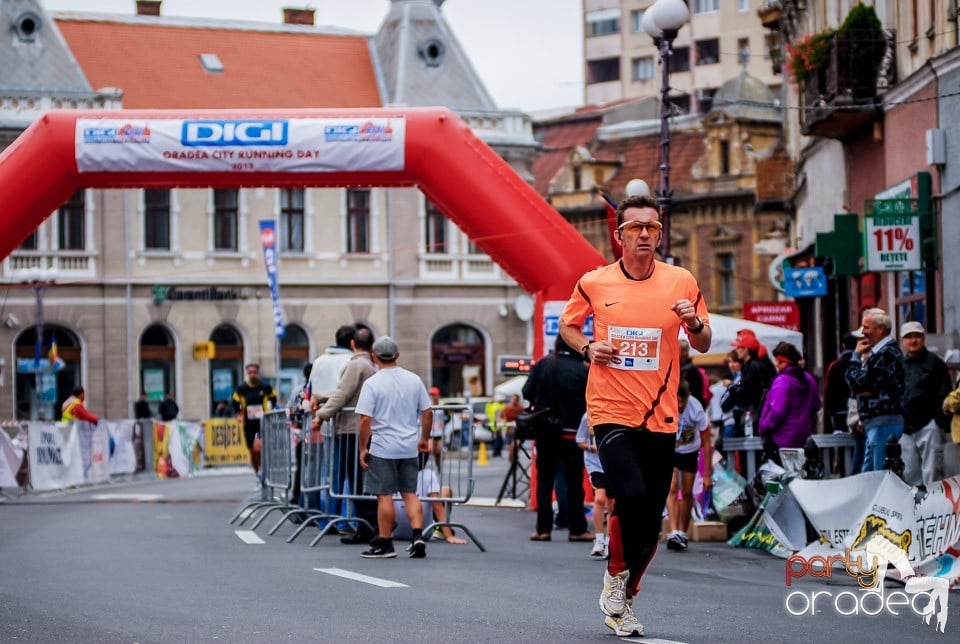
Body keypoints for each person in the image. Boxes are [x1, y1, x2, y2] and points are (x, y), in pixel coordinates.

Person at [559, 194, 712, 639]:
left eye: (652, 227)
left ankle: (625, 592)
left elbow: (701, 342)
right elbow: (569, 325)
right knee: (630, 491)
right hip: (610, 409)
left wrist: (694, 323)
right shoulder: (595, 282)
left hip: (661, 416)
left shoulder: (681, 281)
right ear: (619, 236)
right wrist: (588, 348)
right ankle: (615, 577)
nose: (645, 234)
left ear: (660, 234)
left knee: (650, 520)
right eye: (636, 227)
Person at [355, 336, 434, 559]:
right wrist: (424, 438)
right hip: (409, 446)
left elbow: (364, 420)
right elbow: (428, 412)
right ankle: (417, 535)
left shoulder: (372, 383)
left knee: (384, 495)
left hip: (382, 448)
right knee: (410, 493)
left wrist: (363, 447)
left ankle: (385, 543)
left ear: (374, 356)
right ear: (397, 356)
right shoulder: (414, 380)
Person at [521, 336, 593, 543]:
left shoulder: (543, 364)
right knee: (573, 481)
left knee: (545, 480)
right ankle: (577, 528)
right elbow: (591, 397)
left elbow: (527, 392)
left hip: (544, 430)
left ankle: (543, 529)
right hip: (571, 432)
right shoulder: (581, 369)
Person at [313, 326, 378, 544]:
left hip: (351, 429)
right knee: (357, 478)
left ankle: (367, 524)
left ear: (352, 344)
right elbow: (344, 391)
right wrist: (322, 397)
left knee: (356, 480)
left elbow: (343, 393)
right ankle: (368, 523)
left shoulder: (356, 364)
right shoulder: (367, 364)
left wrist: (321, 415)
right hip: (357, 429)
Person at [845, 308, 904, 473]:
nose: (863, 332)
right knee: (869, 474)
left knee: (880, 474)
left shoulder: (886, 353)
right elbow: (860, 386)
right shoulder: (878, 353)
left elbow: (858, 383)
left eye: (866, 327)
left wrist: (855, 357)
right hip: (875, 423)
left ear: (880, 329)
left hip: (883, 422)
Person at [899, 321, 951, 485]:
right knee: (909, 472)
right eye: (909, 337)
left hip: (929, 425)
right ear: (903, 341)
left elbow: (945, 392)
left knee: (933, 472)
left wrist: (938, 422)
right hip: (905, 428)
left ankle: (934, 509)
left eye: (917, 336)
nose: (913, 340)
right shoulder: (899, 364)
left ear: (923, 338)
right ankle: (915, 508)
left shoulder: (935, 362)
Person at [665, 382, 712, 552]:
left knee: (686, 492)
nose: (679, 406)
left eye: (682, 401)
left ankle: (683, 532)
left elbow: (707, 441)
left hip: (690, 451)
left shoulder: (696, 408)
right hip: (672, 450)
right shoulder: (666, 403)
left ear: (688, 398)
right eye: (676, 401)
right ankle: (673, 531)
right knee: (671, 488)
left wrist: (707, 473)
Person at [757, 342, 821, 465]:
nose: (776, 365)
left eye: (779, 362)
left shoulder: (782, 381)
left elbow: (776, 412)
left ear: (786, 362)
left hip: (779, 441)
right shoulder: (809, 379)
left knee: (777, 479)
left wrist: (763, 428)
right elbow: (816, 405)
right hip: (802, 439)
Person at [392, 453, 467, 545]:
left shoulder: (393, 473)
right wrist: (449, 536)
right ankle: (441, 529)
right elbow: (437, 506)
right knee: (445, 490)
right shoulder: (428, 475)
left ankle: (380, 533)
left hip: (394, 532)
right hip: (424, 532)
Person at [232, 363, 278, 476]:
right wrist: (239, 413)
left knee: (258, 448)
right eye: (250, 373)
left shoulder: (265, 388)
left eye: (254, 373)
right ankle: (258, 473)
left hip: (262, 423)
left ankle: (263, 470)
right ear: (247, 374)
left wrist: (270, 409)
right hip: (248, 424)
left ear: (258, 373)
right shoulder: (242, 389)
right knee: (252, 451)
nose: (252, 375)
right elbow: (235, 401)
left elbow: (273, 398)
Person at [576, 412, 610, 558]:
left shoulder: (615, 415)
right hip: (595, 465)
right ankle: (599, 539)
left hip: (612, 465)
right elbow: (580, 441)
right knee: (600, 499)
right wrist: (591, 447)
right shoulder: (587, 416)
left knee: (613, 504)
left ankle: (610, 541)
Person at [308, 325, 356, 397]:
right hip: (341, 407)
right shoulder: (352, 361)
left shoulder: (319, 360)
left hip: (318, 406)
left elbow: (309, 388)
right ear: (353, 343)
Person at [426, 386, 449, 469]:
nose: (432, 397)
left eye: (434, 395)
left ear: (438, 395)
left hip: (439, 433)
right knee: (429, 449)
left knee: (438, 452)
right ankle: (425, 469)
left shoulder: (443, 406)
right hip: (430, 432)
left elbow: (448, 418)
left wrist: (442, 424)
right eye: (431, 395)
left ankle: (438, 466)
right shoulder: (427, 405)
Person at [678, 338, 706, 408]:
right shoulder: (679, 368)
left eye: (676, 349)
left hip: (688, 409)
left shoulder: (691, 371)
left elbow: (696, 394)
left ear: (685, 352)